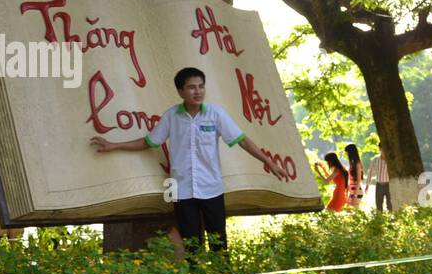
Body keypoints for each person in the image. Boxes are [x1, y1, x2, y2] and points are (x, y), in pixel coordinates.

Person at [90, 66, 289, 253]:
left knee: (219, 243)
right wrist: (114, 145)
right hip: (182, 190)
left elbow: (242, 141)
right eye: (192, 87)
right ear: (180, 91)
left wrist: (268, 162)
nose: (198, 91)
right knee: (191, 245)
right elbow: (149, 142)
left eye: (201, 86)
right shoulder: (171, 117)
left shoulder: (215, 114)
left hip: (212, 188)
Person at [365, 148, 391, 212]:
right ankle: (379, 220)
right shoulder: (376, 159)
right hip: (379, 185)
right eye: (382, 149)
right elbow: (370, 172)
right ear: (380, 149)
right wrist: (367, 185)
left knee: (390, 205)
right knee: (379, 205)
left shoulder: (391, 160)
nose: (384, 151)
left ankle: (392, 220)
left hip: (389, 185)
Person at [344, 143, 365, 208]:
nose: (347, 154)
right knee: (350, 213)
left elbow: (359, 180)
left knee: (353, 213)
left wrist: (355, 196)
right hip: (352, 191)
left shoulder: (357, 164)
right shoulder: (352, 163)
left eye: (347, 152)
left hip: (357, 192)